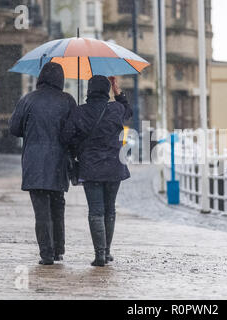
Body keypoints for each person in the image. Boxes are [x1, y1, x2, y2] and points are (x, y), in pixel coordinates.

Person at [9, 62, 76, 265]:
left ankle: (46, 253)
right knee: (58, 206)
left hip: (34, 162)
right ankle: (58, 250)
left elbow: (14, 128)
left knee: (41, 211)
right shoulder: (68, 101)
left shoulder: (28, 99)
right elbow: (73, 132)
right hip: (59, 161)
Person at [61, 75, 132, 267]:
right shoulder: (116, 109)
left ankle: (100, 254)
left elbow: (67, 137)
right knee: (110, 210)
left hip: (90, 167)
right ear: (106, 91)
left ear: (89, 91)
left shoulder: (79, 112)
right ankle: (107, 252)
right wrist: (118, 92)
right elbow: (129, 111)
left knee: (96, 211)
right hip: (114, 166)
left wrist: (79, 147)